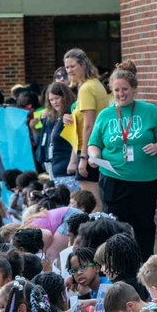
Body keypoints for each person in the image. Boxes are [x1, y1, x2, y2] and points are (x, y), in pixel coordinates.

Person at [86, 65, 157, 259]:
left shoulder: (149, 111)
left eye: (125, 89)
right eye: (116, 90)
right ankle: (118, 262)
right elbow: (94, 143)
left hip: (145, 180)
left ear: (134, 89)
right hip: (113, 179)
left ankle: (145, 264)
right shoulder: (105, 115)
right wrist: (94, 156)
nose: (121, 93)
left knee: (144, 225)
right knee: (115, 226)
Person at [64, 47, 108, 201]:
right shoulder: (95, 84)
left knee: (91, 202)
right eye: (67, 67)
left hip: (90, 149)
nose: (69, 70)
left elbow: (89, 124)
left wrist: (82, 158)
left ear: (83, 65)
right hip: (98, 146)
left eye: (72, 66)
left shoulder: (86, 89)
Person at [37, 82, 75, 189]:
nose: (54, 102)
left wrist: (73, 162)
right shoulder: (51, 117)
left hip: (67, 168)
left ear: (65, 97)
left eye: (57, 98)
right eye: (51, 100)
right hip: (53, 167)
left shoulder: (71, 115)